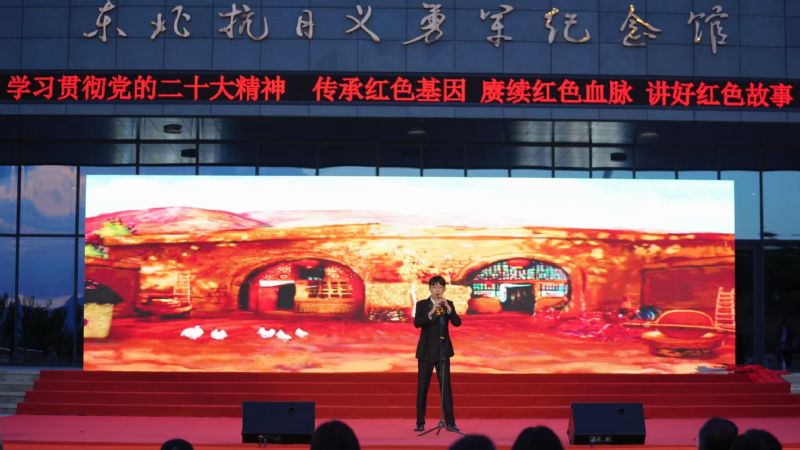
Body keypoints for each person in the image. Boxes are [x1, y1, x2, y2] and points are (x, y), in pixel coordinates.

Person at [414, 275, 462, 432]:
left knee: (446, 389)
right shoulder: (422, 304)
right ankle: (420, 422)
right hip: (426, 352)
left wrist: (449, 309)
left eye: (440, 287)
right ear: (429, 288)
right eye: (434, 287)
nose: (437, 290)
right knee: (423, 387)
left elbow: (457, 323)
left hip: (443, 351)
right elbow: (417, 323)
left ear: (444, 289)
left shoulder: (449, 304)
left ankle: (450, 423)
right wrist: (432, 311)